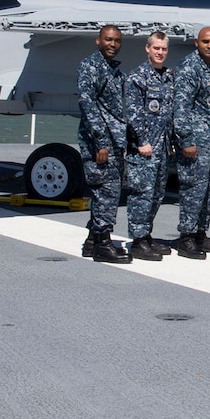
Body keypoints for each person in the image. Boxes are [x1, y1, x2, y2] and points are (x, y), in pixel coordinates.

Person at [171, 27, 210, 260]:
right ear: (196, 42)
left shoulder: (209, 68)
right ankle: (186, 237)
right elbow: (181, 107)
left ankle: (200, 233)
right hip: (196, 143)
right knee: (193, 190)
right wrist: (186, 140)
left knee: (208, 191)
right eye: (206, 41)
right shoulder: (189, 67)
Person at [77, 25, 130, 264]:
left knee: (104, 192)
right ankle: (103, 244)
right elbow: (87, 106)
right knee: (107, 193)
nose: (112, 44)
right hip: (100, 144)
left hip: (112, 143)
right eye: (108, 40)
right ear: (98, 41)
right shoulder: (91, 67)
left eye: (117, 41)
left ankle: (92, 241)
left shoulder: (114, 72)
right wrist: (101, 143)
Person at [123, 31, 176, 261]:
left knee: (156, 195)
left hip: (162, 148)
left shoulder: (168, 77)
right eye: (156, 48)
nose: (160, 52)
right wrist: (142, 141)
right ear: (148, 48)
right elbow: (133, 114)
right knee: (141, 195)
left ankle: (146, 235)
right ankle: (137, 241)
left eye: (164, 49)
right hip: (144, 149)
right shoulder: (137, 77)